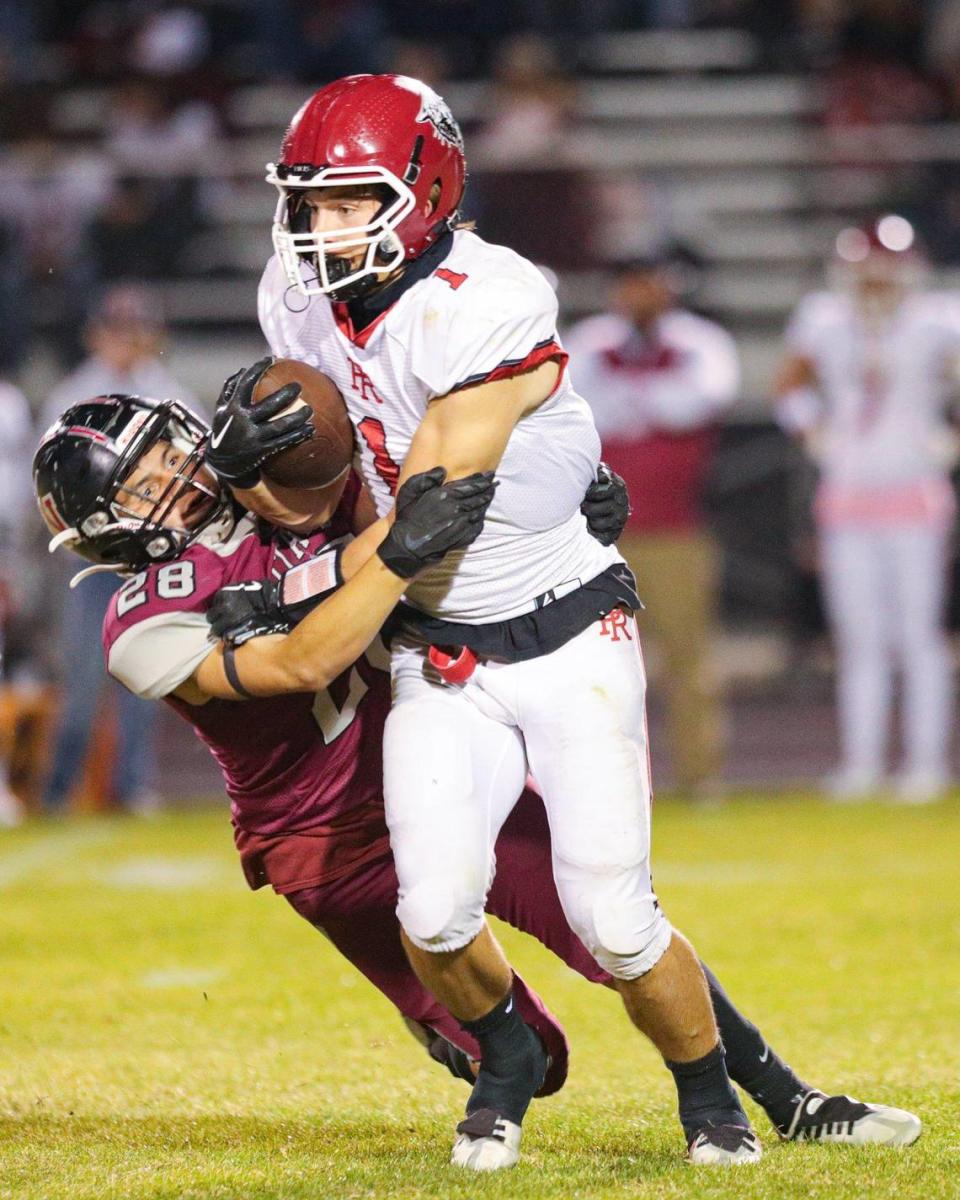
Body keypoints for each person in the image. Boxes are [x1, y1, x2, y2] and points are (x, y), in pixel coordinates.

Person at [252, 73, 921, 1167]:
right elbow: (333, 463)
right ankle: (510, 1055)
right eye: (306, 202)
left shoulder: (489, 294)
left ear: (423, 189)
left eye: (346, 202)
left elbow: (426, 509)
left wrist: (288, 586)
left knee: (612, 916)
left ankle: (711, 1098)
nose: (317, 231)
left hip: (562, 632)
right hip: (435, 648)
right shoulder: (293, 288)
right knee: (433, 916)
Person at [35, 389, 920, 1162]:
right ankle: (447, 1019)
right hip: (325, 843)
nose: (183, 472)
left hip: (434, 756)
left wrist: (557, 519)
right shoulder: (142, 620)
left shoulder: (286, 483)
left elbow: (441, 500)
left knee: (614, 928)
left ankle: (787, 1097)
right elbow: (304, 663)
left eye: (171, 447)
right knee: (538, 1059)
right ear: (112, 526)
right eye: (149, 479)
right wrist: (384, 557)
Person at [775, 215, 960, 804]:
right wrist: (812, 429)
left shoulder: (936, 320)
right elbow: (789, 385)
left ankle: (927, 763)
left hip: (914, 494)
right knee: (859, 639)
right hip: (850, 497)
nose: (876, 280)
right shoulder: (826, 319)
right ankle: (862, 762)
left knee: (919, 635)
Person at [565, 253, 738, 801]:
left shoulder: (700, 341)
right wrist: (648, 403)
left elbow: (699, 402)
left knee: (688, 658)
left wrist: (630, 403)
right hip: (597, 535)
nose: (640, 295)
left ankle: (700, 774)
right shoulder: (591, 341)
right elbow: (576, 412)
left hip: (677, 528)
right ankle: (608, 781)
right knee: (597, 662)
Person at [40, 285, 188, 816]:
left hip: (148, 562)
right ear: (96, 333)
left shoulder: (167, 393)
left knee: (144, 683)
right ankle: (59, 790)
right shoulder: (72, 395)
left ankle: (132, 788)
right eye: (116, 329)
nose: (126, 341)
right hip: (89, 561)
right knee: (80, 683)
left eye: (135, 330)